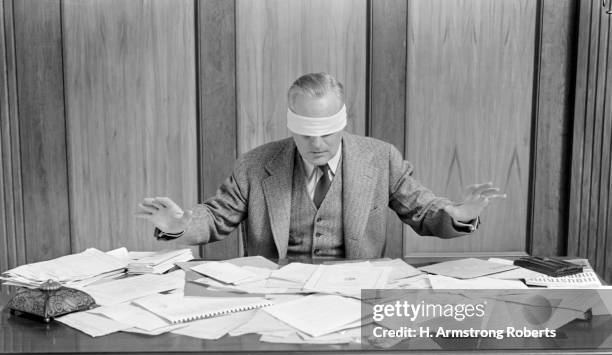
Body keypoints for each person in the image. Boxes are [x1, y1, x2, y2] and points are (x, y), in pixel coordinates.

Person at [136, 72, 505, 260]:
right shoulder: (256, 164)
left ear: (343, 121)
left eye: (327, 132)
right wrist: (179, 225)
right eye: (306, 133)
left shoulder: (381, 158)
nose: (317, 144)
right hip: (275, 294)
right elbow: (216, 217)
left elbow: (424, 211)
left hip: (355, 296)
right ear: (290, 124)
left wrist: (458, 213)